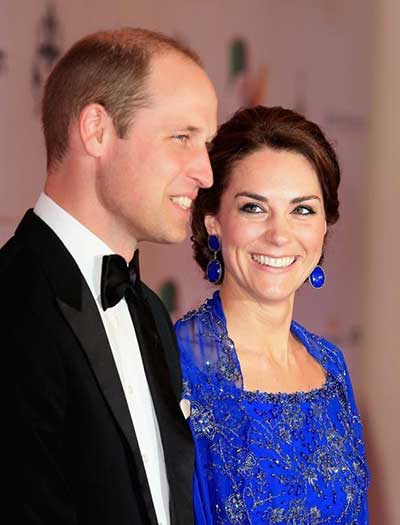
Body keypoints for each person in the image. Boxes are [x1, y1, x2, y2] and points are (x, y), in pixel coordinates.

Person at [3, 28, 217, 524]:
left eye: (205, 144)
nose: (206, 173)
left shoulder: (151, 312)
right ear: (97, 130)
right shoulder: (12, 303)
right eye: (182, 138)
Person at [175, 106, 369, 524]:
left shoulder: (330, 365)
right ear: (213, 220)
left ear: (324, 226)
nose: (279, 235)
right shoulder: (179, 363)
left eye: (302, 210)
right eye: (254, 208)